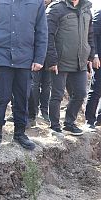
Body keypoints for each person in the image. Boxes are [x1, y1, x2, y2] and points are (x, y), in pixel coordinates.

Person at [0, 0, 48, 150]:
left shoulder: (36, 3)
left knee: (22, 97)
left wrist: (39, 58)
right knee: (1, 98)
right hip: (0, 57)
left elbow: (42, 31)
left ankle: (20, 133)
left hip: (25, 58)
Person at [46, 0, 95, 135]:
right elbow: (47, 36)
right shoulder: (56, 8)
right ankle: (54, 125)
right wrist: (51, 60)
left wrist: (90, 56)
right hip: (60, 62)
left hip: (81, 62)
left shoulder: (86, 9)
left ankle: (69, 123)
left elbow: (90, 36)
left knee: (80, 93)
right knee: (57, 95)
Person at [27, 0, 55, 127]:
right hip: (34, 53)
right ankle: (33, 112)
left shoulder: (55, 9)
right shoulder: (32, 7)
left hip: (50, 54)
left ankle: (44, 111)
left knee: (47, 85)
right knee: (34, 84)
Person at [85, 6, 101, 129]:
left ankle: (99, 120)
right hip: (99, 58)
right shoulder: (99, 13)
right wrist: (95, 55)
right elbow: (93, 35)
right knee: (96, 89)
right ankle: (89, 120)